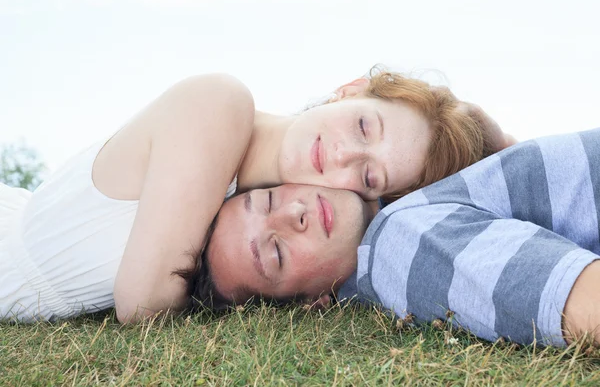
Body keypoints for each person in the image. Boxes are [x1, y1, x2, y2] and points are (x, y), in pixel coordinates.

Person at [0, 67, 508, 323]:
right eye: (362, 126)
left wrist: (497, 143)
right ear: (350, 90)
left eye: (370, 175)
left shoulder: (269, 204)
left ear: (371, 199)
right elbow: (143, 304)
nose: (341, 156)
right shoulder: (219, 105)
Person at [187, 128, 600, 347]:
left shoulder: (399, 188)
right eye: (276, 252)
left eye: (269, 199)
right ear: (313, 302)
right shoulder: (398, 246)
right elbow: (584, 304)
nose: (293, 214)